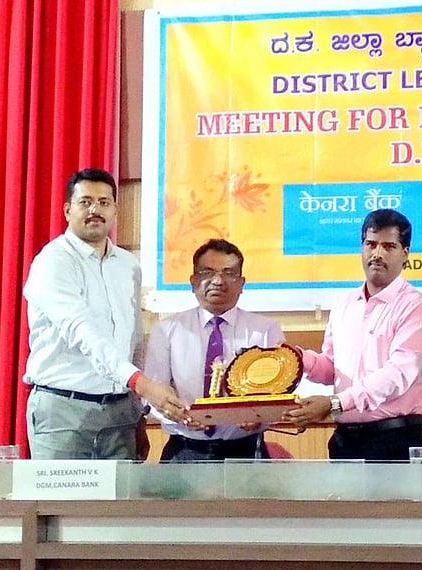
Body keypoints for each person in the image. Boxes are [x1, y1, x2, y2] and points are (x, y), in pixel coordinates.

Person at [24, 168, 187, 460]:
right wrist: (143, 384)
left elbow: (133, 339)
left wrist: (137, 408)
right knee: (62, 506)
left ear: (114, 210)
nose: (94, 210)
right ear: (67, 210)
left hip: (120, 412)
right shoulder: (52, 261)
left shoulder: (128, 265)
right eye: (85, 202)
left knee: (119, 506)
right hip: (63, 412)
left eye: (104, 202)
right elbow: (83, 331)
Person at [283, 209, 422, 461]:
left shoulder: (417, 308)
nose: (377, 254)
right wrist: (293, 359)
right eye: (371, 244)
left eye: (389, 246)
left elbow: (396, 376)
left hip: (395, 441)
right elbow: (332, 369)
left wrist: (334, 404)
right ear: (362, 247)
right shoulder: (345, 304)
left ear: (405, 254)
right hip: (344, 440)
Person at [144, 239, 285, 461]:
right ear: (193, 281)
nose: (218, 281)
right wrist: (178, 415)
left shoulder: (266, 331)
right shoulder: (167, 330)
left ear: (242, 283)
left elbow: (278, 395)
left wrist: (259, 416)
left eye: (229, 273)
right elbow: (152, 395)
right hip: (184, 450)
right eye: (207, 273)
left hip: (246, 450)